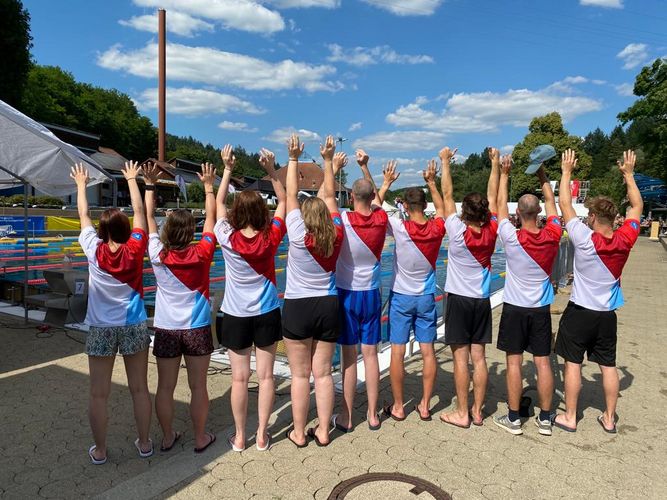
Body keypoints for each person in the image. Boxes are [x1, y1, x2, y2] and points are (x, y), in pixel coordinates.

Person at [552, 150, 643, 434]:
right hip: (607, 316)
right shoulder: (626, 238)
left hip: (580, 312)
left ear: (591, 217)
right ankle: (610, 418)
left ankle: (569, 416)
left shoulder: (582, 238)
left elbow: (565, 203)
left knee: (573, 364)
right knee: (608, 366)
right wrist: (628, 174)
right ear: (615, 218)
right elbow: (638, 206)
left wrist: (566, 171)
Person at [71, 161, 153, 465]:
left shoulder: (93, 248)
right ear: (125, 229)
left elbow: (83, 215)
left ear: (103, 231)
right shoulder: (135, 247)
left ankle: (101, 450)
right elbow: (141, 214)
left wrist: (82, 185)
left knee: (99, 394)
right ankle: (144, 444)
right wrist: (133, 180)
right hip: (133, 325)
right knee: (139, 389)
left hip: (101, 328)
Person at [214, 145, 286, 452]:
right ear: (261, 213)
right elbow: (285, 200)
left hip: (235, 314)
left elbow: (217, 201)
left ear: (236, 213)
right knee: (266, 376)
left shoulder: (226, 236)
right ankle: (261, 436)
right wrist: (271, 170)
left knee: (240, 379)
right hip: (267, 311)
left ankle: (240, 437)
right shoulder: (271, 237)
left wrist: (227, 168)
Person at [144, 162, 217, 454]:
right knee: (198, 386)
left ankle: (166, 437)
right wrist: (209, 186)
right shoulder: (202, 252)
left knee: (165, 387)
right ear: (191, 232)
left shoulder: (157, 254)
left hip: (166, 328)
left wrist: (149, 185)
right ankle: (200, 438)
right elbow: (212, 216)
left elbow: (146, 216)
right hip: (197, 327)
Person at [282, 134, 345, 447]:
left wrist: (293, 158)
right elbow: (331, 196)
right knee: (322, 375)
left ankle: (297, 432)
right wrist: (329, 162)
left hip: (297, 306)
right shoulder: (337, 236)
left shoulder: (296, 234)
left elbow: (291, 194)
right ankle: (322, 430)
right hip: (327, 306)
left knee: (299, 375)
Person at [492, 156, 561, 436]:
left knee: (514, 362)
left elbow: (498, 207)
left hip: (515, 308)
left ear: (518, 214)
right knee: (543, 362)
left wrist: (505, 173)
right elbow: (554, 206)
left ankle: (513, 418)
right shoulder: (554, 234)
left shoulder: (511, 236)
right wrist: (544, 177)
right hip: (541, 308)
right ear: (539, 214)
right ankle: (545, 419)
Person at [332, 149, 399, 432]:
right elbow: (377, 200)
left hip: (347, 294)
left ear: (350, 198)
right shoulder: (382, 220)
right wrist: (367, 169)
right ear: (372, 198)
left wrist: (333, 168)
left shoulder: (343, 221)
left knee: (349, 358)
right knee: (370, 355)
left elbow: (326, 198)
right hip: (372, 293)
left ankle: (347, 417)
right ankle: (372, 414)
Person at [440, 146, 499, 428]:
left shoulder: (457, 229)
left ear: (465, 211)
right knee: (480, 357)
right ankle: (477, 411)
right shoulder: (492, 230)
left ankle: (462, 412)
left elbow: (447, 195)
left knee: (460, 359)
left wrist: (445, 162)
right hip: (481, 301)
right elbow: (495, 197)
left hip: (460, 301)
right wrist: (495, 165)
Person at [384, 159, 446, 422]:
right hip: (426, 298)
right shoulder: (436, 228)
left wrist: (386, 182)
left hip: (401, 298)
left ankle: (398, 406)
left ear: (406, 207)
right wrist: (433, 182)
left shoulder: (399, 227)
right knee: (428, 351)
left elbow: (373, 207)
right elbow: (442, 208)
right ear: (425, 206)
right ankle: (424, 406)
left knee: (397, 351)